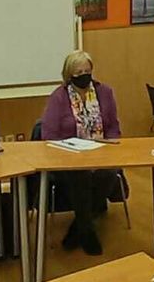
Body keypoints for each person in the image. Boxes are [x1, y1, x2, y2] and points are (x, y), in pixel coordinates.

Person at [39, 51, 121, 256]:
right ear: (69, 75)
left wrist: (109, 143)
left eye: (87, 71)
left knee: (109, 174)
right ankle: (87, 232)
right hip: (69, 158)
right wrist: (70, 149)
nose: (84, 75)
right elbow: (48, 134)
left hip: (101, 154)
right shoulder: (59, 97)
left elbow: (113, 127)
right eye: (79, 72)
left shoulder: (105, 93)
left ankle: (78, 228)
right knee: (80, 176)